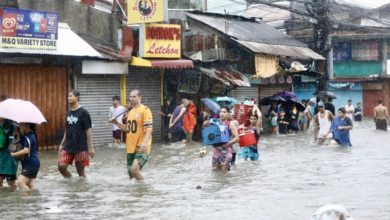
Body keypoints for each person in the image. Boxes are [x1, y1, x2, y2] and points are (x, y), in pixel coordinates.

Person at [110, 90, 152, 181]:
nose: (131, 98)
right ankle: (136, 193)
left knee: (134, 170)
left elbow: (148, 129)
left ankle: (145, 189)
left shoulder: (145, 110)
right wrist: (116, 123)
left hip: (141, 146)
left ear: (140, 97)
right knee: (131, 176)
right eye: (130, 96)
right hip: (130, 147)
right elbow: (127, 129)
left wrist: (144, 143)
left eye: (134, 96)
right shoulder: (130, 112)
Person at [58, 90, 95, 178]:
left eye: (71, 96)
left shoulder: (84, 112)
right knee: (61, 166)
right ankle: (70, 181)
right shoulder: (68, 112)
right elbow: (67, 129)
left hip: (81, 147)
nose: (68, 98)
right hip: (68, 146)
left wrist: (91, 148)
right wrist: (61, 144)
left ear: (77, 97)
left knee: (80, 173)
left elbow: (88, 130)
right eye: (68, 96)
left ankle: (81, 188)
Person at [204, 107, 238, 173]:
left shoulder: (230, 124)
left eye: (224, 112)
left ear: (228, 114)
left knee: (224, 172)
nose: (222, 113)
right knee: (215, 173)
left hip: (226, 152)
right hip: (216, 152)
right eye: (221, 112)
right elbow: (209, 136)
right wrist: (206, 124)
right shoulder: (214, 123)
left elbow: (237, 138)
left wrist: (227, 144)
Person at [10, 123, 40, 190]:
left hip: (31, 164)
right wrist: (17, 133)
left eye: (21, 124)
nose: (19, 126)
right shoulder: (26, 136)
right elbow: (16, 143)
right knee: (28, 184)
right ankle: (34, 198)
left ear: (27, 125)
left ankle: (27, 199)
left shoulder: (29, 136)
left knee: (20, 182)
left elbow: (26, 151)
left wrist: (14, 154)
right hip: (30, 164)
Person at [0, 118, 17, 189]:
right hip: (1, 156)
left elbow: (15, 141)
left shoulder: (12, 125)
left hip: (9, 157)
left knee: (11, 183)